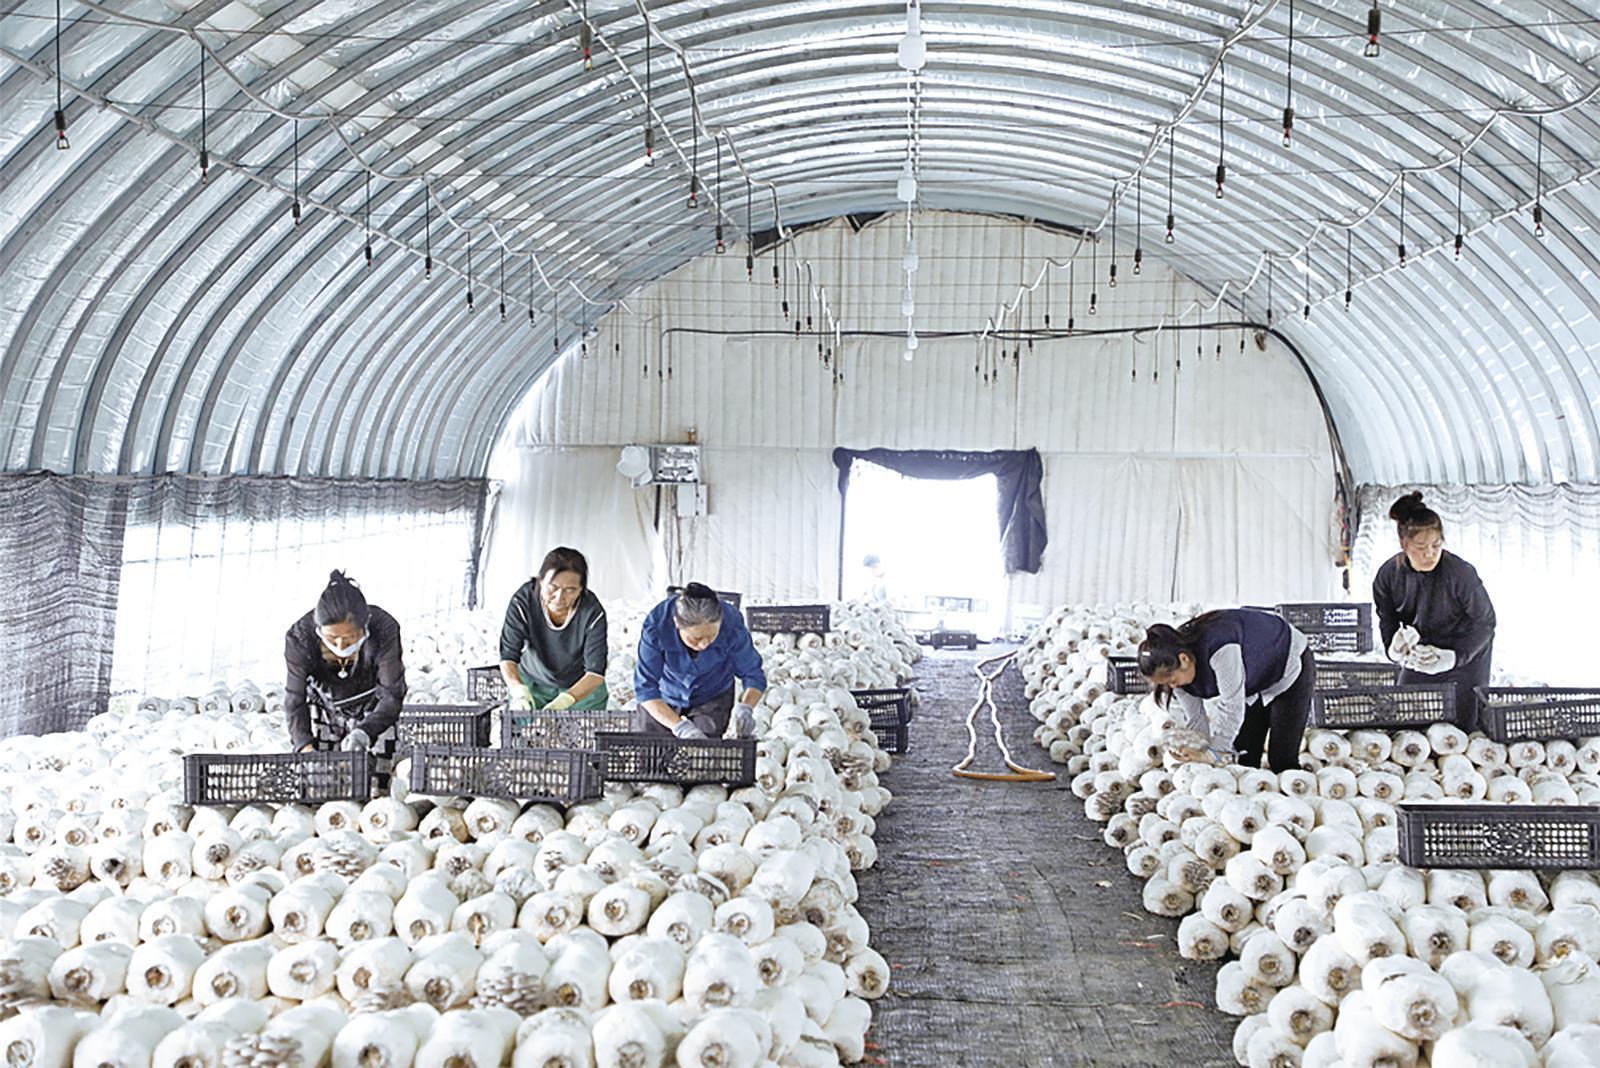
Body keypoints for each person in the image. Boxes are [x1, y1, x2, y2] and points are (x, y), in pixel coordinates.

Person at [1373, 491, 1496, 730]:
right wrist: (1395, 648)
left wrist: (1455, 657)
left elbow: (1486, 623)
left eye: (1436, 545)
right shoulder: (1388, 576)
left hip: (1465, 654)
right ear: (1404, 544)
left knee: (1464, 728)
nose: (1429, 553)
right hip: (1423, 653)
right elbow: (1387, 620)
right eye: (1420, 547)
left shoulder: (1460, 574)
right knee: (1406, 722)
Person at [1138, 608, 1314, 773]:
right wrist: (1197, 751)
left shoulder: (1220, 647)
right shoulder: (1175, 672)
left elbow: (1232, 706)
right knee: (1245, 756)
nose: (1173, 687)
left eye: (1172, 680)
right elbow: (1196, 718)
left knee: (1281, 759)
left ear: (1184, 660)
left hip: (1286, 661)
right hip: (1252, 680)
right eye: (1166, 684)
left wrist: (1214, 754)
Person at [284, 571, 406, 785]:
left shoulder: (384, 627)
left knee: (374, 783)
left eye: (349, 638)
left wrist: (364, 732)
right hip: (324, 704)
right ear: (318, 628)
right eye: (332, 638)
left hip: (374, 705)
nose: (341, 646)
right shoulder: (300, 638)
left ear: (365, 625)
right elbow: (294, 699)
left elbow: (392, 694)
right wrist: (304, 746)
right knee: (325, 783)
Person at [634, 582, 766, 739]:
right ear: (677, 624)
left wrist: (746, 707)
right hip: (665, 694)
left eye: (711, 636)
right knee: (651, 750)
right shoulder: (657, 625)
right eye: (695, 638)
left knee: (704, 750)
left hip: (712, 693)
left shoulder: (732, 624)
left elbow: (753, 674)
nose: (704, 644)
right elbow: (645, 689)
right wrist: (679, 726)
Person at [498, 547, 609, 713]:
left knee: (584, 733)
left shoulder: (592, 612)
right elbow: (508, 655)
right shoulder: (523, 601)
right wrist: (518, 691)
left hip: (580, 686)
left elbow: (595, 672)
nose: (559, 597)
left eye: (570, 590)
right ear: (540, 581)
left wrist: (565, 701)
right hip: (533, 682)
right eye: (552, 587)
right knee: (523, 731)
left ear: (581, 589)